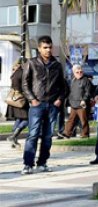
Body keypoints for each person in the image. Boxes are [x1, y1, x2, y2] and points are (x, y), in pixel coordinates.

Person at [21, 35, 67, 175]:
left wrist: (59, 99)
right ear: (39, 49)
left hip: (52, 105)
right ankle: (28, 164)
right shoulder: (31, 63)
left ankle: (42, 163)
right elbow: (25, 84)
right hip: (37, 104)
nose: (48, 50)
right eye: (45, 48)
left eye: (50, 47)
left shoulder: (57, 65)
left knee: (47, 136)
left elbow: (64, 86)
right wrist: (32, 100)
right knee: (33, 134)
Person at [62, 64, 92, 138]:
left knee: (83, 120)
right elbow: (71, 91)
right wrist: (69, 101)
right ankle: (67, 133)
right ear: (74, 73)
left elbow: (88, 92)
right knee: (71, 120)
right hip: (73, 103)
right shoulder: (73, 80)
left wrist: (84, 100)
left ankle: (85, 134)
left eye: (81, 71)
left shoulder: (86, 80)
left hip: (82, 104)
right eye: (77, 72)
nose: (79, 73)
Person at [5, 62, 28, 148]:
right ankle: (13, 136)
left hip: (14, 99)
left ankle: (13, 139)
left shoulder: (14, 74)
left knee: (19, 119)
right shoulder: (21, 73)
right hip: (21, 100)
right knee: (27, 119)